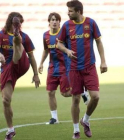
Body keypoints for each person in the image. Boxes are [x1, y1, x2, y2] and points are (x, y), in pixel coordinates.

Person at [57, 0, 107, 139]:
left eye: (71, 11)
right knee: (76, 99)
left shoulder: (91, 23)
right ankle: (76, 130)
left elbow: (98, 41)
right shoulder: (66, 26)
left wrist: (103, 61)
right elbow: (59, 44)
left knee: (95, 97)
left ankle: (85, 120)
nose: (68, 13)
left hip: (89, 67)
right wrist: (66, 50)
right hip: (73, 68)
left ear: (78, 11)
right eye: (68, 11)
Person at [0, 12, 40, 140]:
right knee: (5, 100)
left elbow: (31, 56)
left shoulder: (24, 37)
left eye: (19, 23)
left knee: (17, 41)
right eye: (15, 23)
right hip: (8, 69)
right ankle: (10, 130)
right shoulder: (0, 34)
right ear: (9, 22)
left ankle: (16, 39)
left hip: (21, 64)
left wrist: (36, 74)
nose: (18, 25)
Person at [38, 12, 89, 125]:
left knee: (65, 93)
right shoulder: (45, 35)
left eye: (57, 20)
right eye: (52, 19)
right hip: (52, 68)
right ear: (49, 22)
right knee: (50, 92)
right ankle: (54, 118)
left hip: (65, 67)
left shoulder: (64, 34)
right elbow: (46, 50)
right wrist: (41, 63)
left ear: (59, 22)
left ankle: (82, 91)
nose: (54, 21)